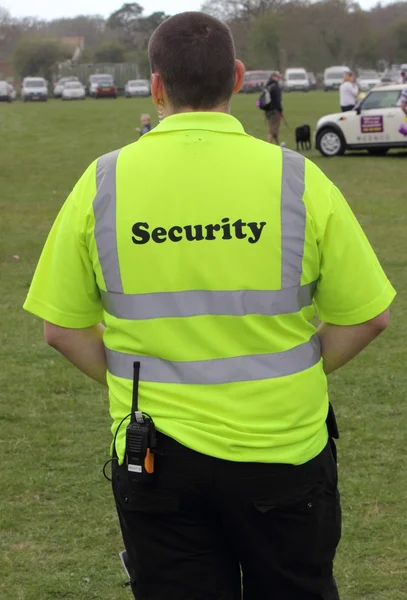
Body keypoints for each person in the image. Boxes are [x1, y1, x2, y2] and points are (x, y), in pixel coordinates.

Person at [23, 11, 396, 600]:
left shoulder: (103, 183)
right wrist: (294, 372)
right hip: (286, 449)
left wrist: (137, 382)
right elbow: (369, 316)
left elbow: (61, 330)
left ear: (156, 86)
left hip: (158, 456)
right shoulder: (297, 179)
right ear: (240, 78)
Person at [265, 71, 283, 145]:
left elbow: (259, 101)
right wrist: (280, 110)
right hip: (275, 111)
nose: (278, 78)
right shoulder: (276, 87)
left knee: (273, 128)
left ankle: (278, 145)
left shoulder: (268, 86)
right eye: (277, 77)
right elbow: (278, 100)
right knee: (272, 130)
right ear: (274, 77)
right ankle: (268, 145)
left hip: (268, 111)